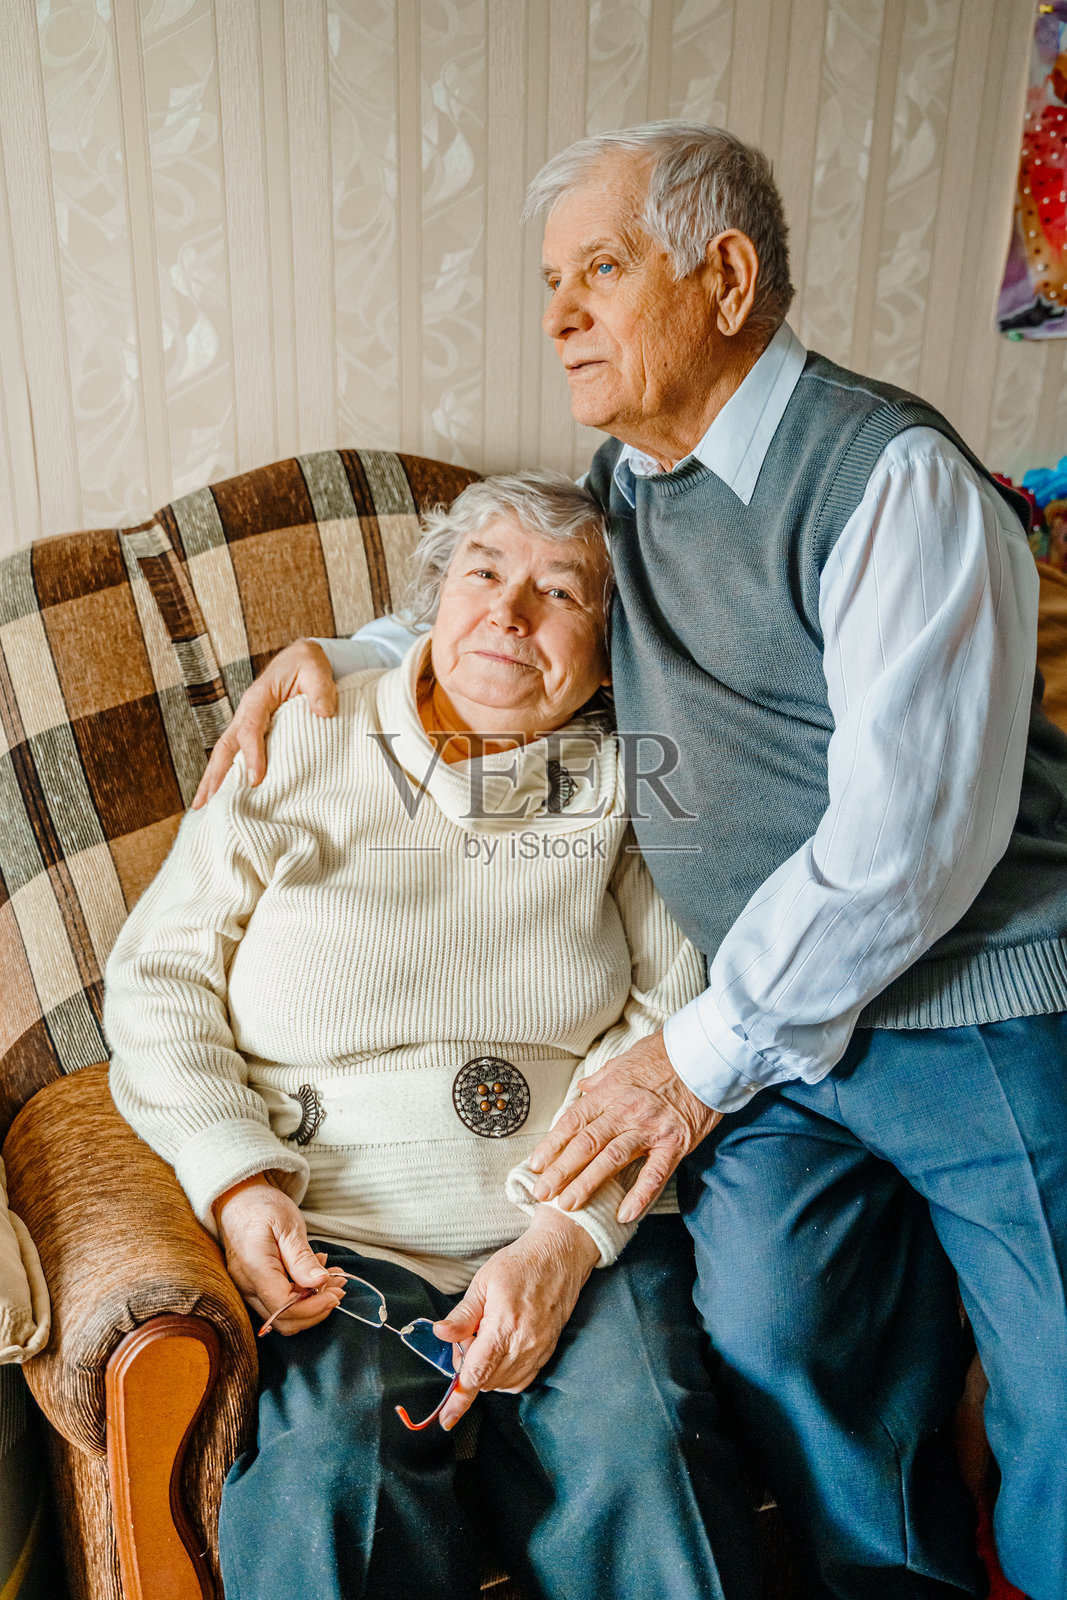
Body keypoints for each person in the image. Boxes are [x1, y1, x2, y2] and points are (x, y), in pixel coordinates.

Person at [190, 124, 1067, 1600]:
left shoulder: (891, 482)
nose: (557, 317)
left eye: (597, 270)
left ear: (724, 278)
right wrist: (336, 651)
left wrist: (689, 1061)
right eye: (550, 282)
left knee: (1059, 1367)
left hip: (969, 997)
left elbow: (910, 845)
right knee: (778, 1334)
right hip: (776, 1038)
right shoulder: (636, 481)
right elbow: (518, 608)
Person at [105, 471, 758, 1600]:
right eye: (482, 575)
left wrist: (564, 1238)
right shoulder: (302, 736)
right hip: (337, 1238)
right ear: (435, 599)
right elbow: (158, 981)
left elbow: (668, 1019)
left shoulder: (634, 783)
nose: (508, 614)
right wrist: (238, 1185)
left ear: (612, 654)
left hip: (564, 1231)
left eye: (561, 592)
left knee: (649, 1453)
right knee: (333, 1480)